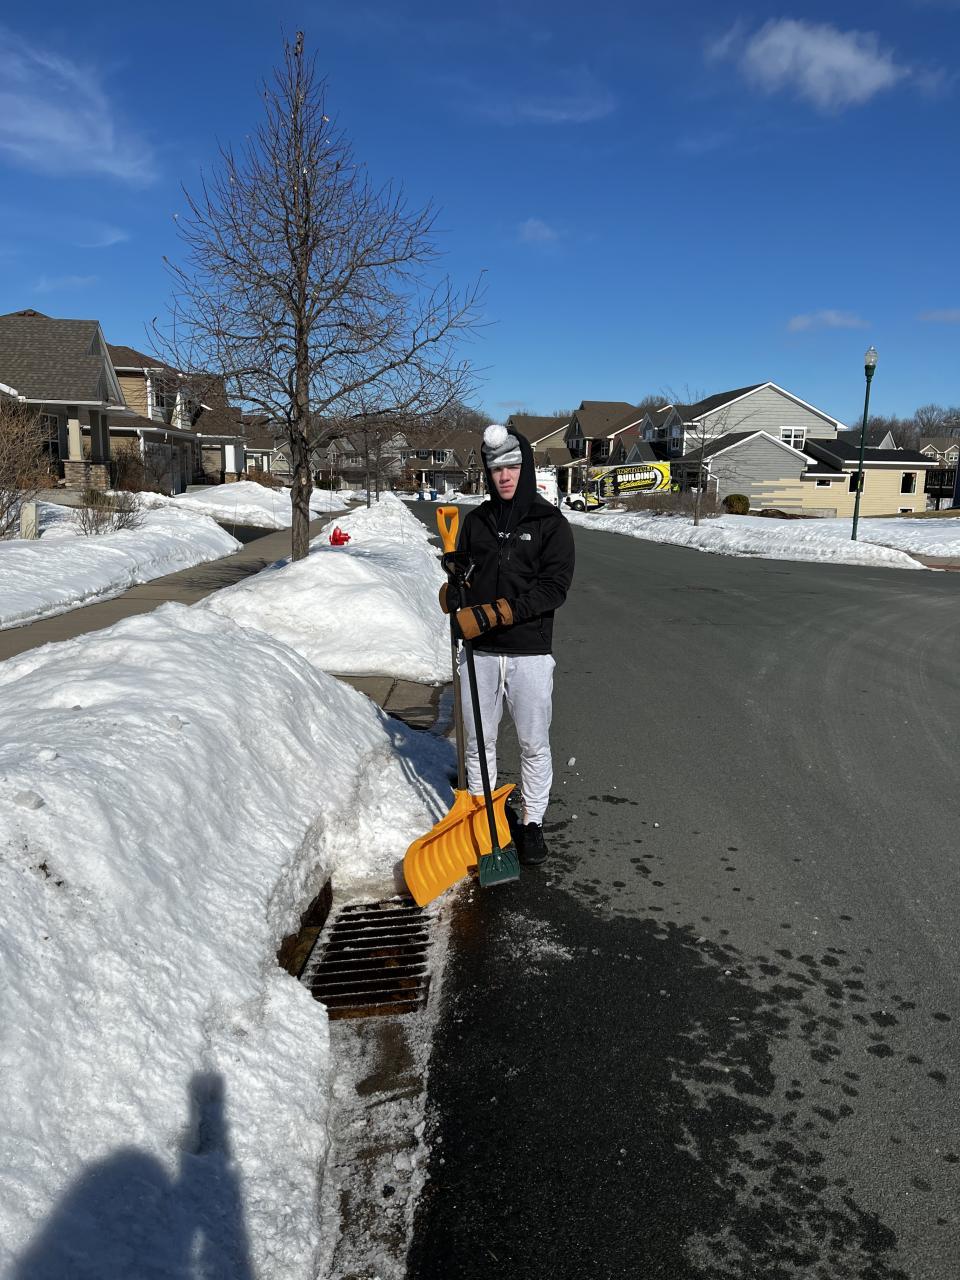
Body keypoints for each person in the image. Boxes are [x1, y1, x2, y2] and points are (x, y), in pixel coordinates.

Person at [441, 424, 575, 864]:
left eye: (513, 467)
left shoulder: (550, 524)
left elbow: (553, 589)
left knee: (533, 743)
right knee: (479, 742)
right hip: (479, 653)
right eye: (496, 468)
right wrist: (454, 592)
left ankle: (532, 823)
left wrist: (493, 614)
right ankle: (485, 818)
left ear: (526, 468)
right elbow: (465, 578)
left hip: (529, 653)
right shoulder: (476, 522)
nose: (504, 476)